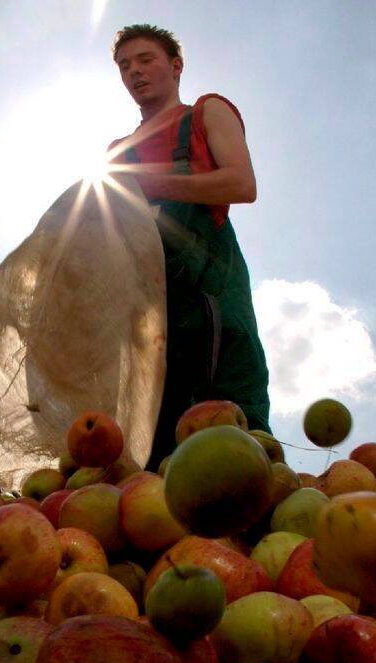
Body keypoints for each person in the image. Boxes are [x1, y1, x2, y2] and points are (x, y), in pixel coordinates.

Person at [108, 24, 270, 466]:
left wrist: (152, 183)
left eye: (145, 60)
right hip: (146, 317)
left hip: (211, 303)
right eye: (125, 66)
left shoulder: (205, 113)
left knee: (238, 444)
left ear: (175, 67)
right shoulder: (117, 152)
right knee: (150, 455)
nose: (134, 72)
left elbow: (241, 183)